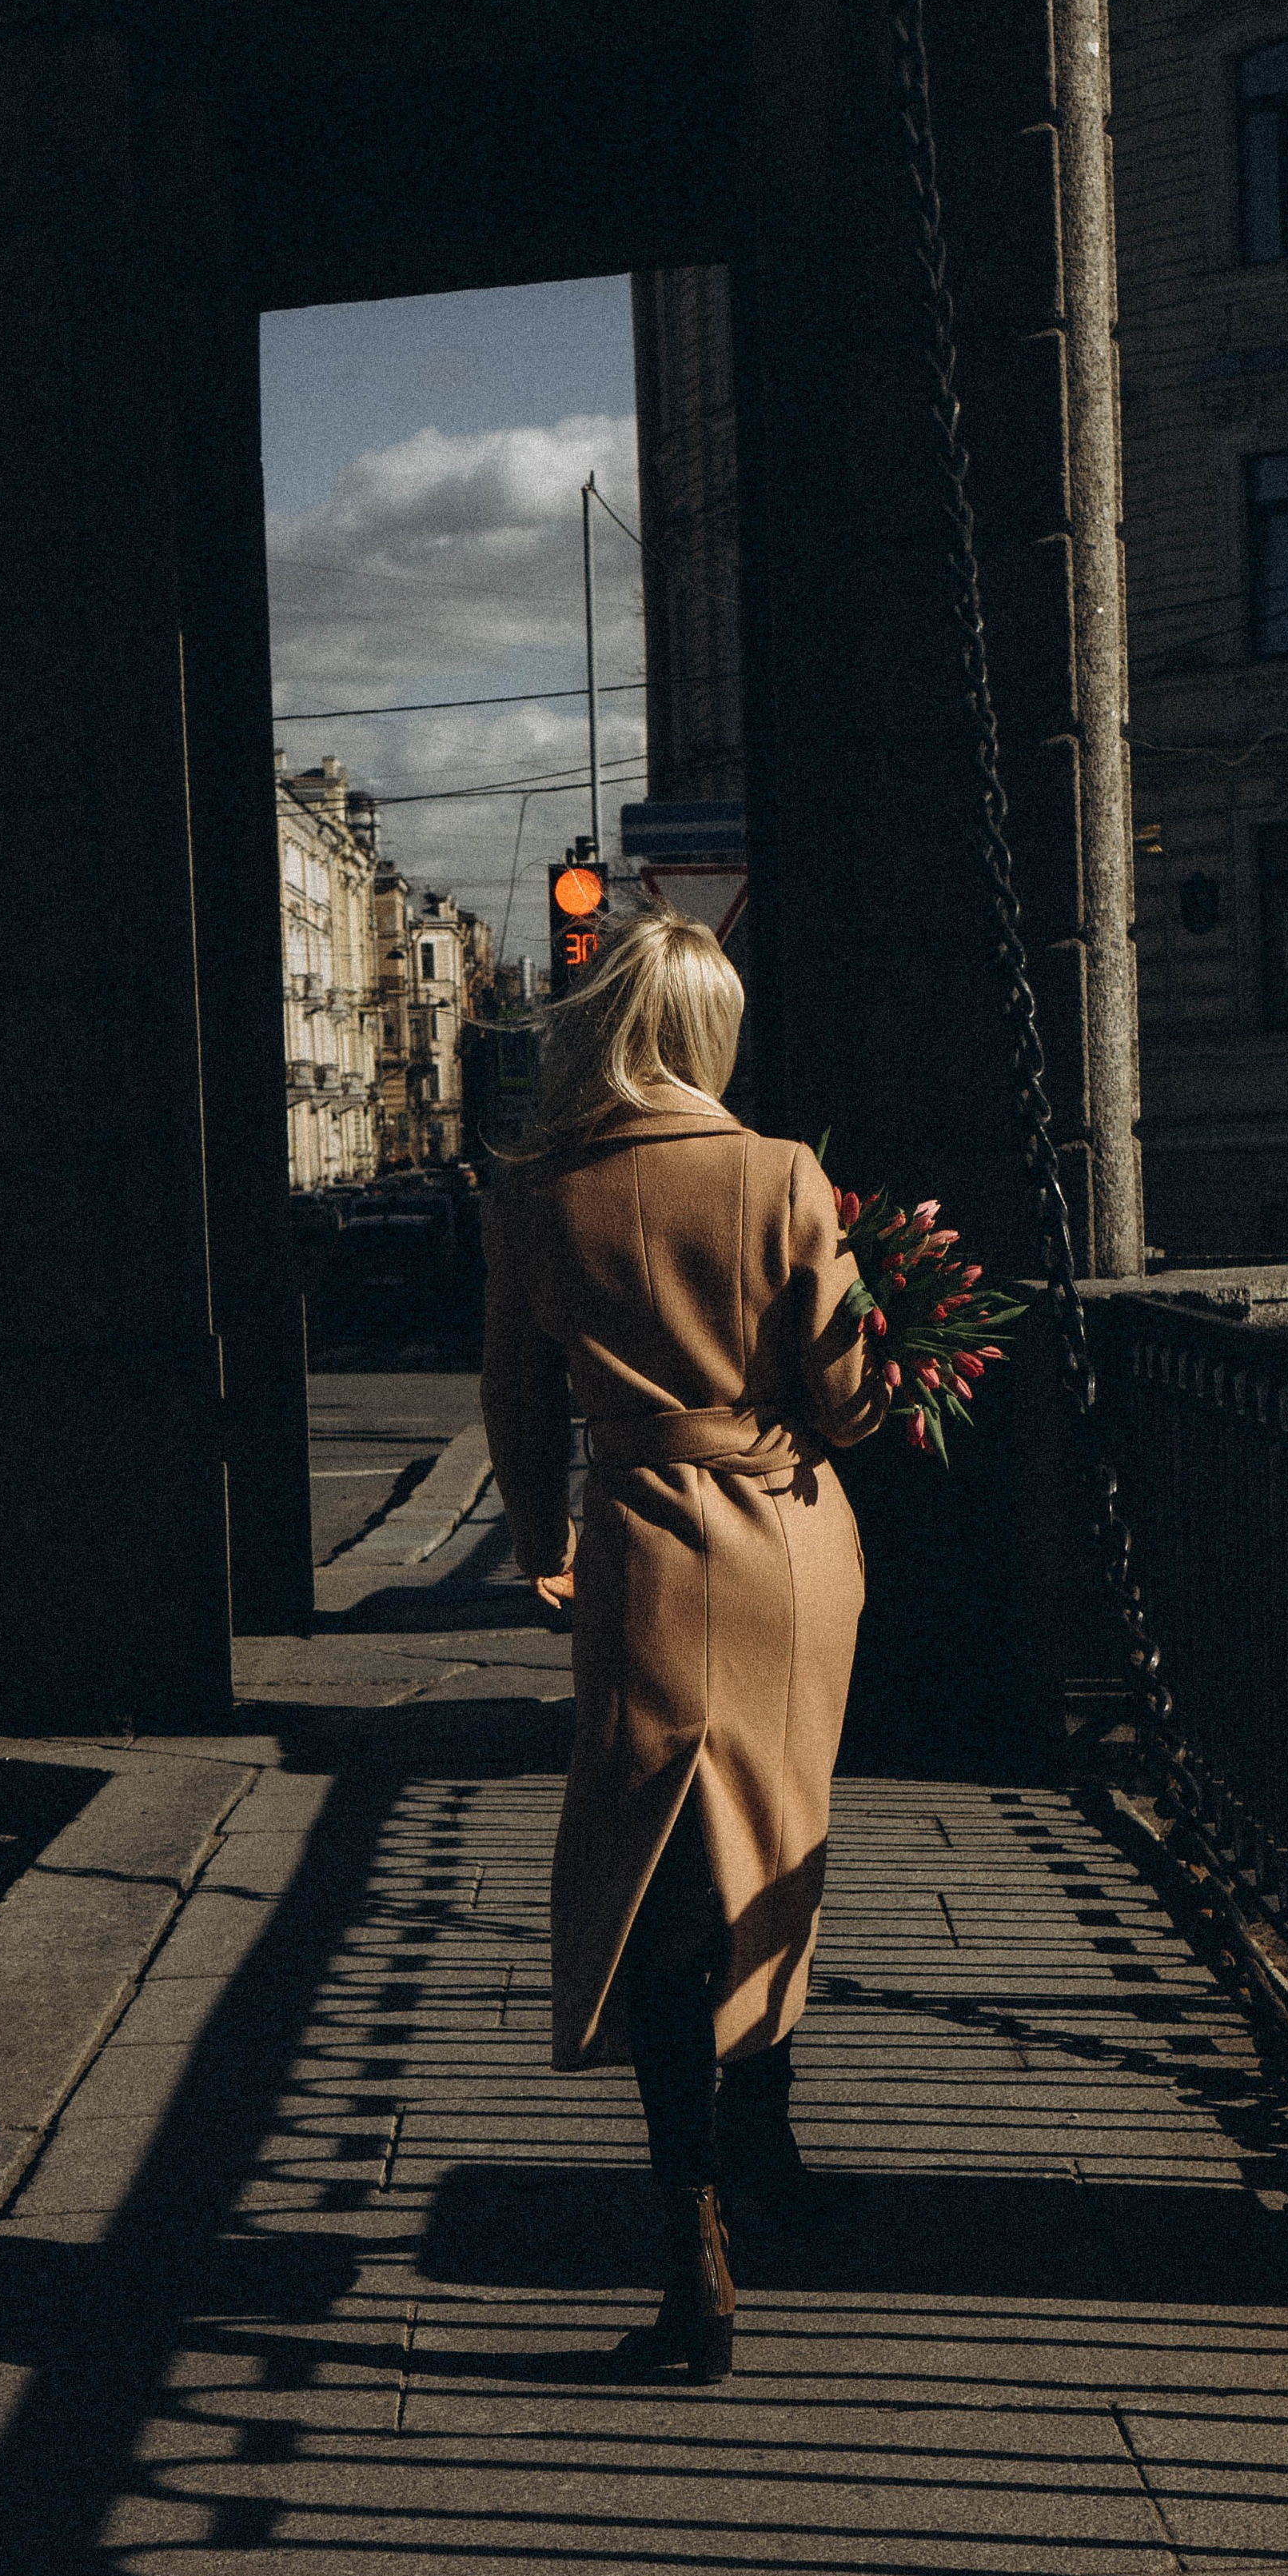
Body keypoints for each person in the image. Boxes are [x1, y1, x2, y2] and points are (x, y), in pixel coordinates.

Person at [480, 913, 888, 2380]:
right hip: (784, 1543)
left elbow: (516, 1401)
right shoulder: (783, 1175)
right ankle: (770, 2138)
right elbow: (845, 1404)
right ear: (708, 1033)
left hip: (645, 1551)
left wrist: (546, 1543)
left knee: (660, 1868)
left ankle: (692, 2232)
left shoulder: (538, 1193)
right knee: (779, 1832)